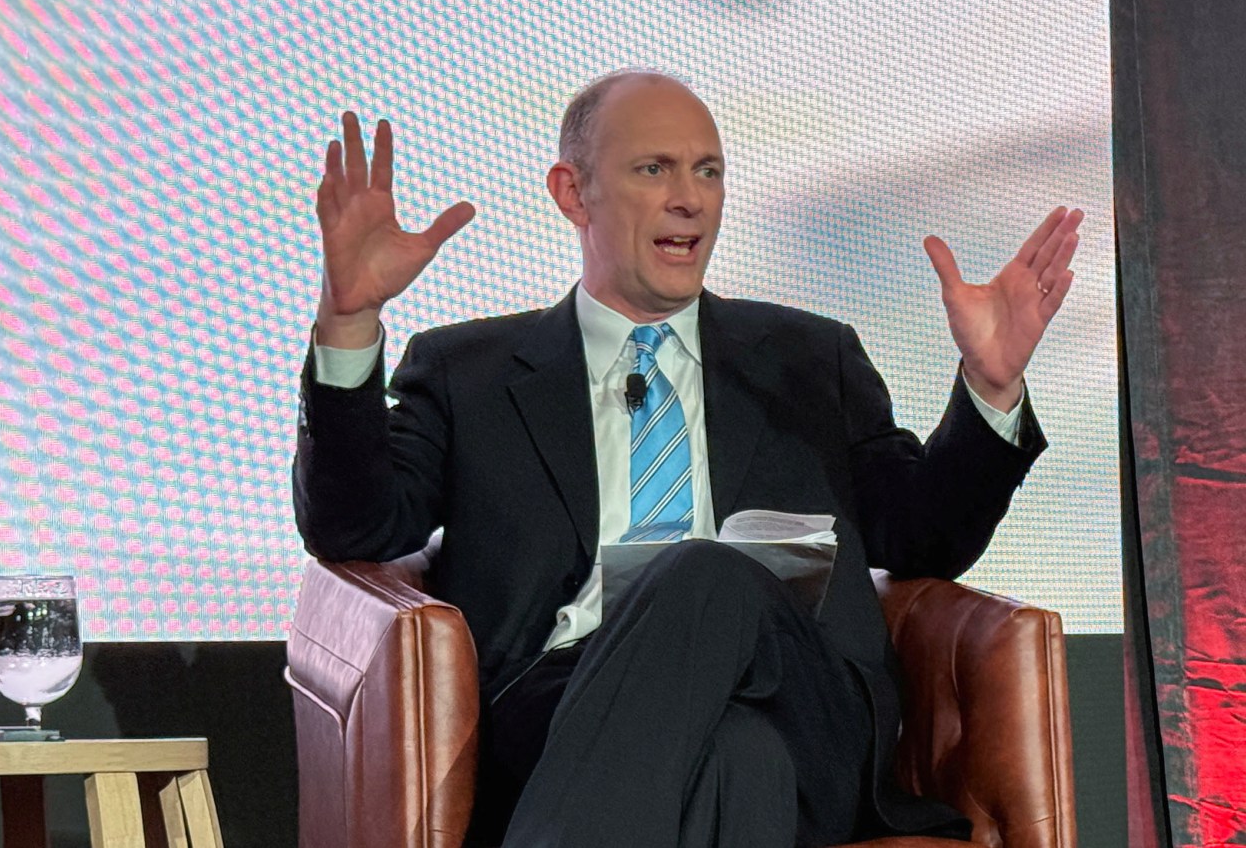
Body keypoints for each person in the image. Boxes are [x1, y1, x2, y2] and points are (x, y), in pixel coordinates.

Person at [293, 70, 1082, 847]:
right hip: (568, 709)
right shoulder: (469, 374)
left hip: (802, 702)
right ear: (572, 193)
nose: (690, 198)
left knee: (705, 573)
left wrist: (990, 387)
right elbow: (354, 526)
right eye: (653, 169)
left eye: (708, 171)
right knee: (741, 761)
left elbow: (920, 537)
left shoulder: (809, 360)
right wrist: (349, 321)